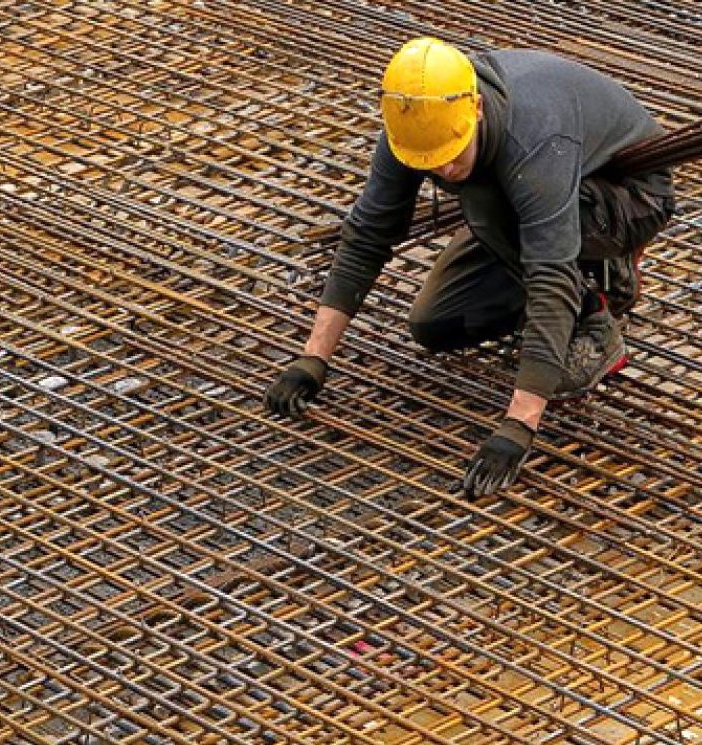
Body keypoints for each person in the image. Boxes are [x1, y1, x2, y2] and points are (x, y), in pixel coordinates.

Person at [263, 37, 676, 500]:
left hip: (627, 196)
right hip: (525, 202)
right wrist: (313, 358)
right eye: (430, 164)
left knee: (487, 201)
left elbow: (549, 274)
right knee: (436, 325)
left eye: (452, 154)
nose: (443, 170)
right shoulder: (413, 124)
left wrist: (519, 425)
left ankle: (595, 312)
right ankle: (585, 273)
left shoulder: (534, 137)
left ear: (476, 108)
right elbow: (367, 233)